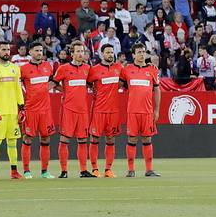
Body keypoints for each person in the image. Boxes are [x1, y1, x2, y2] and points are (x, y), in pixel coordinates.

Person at [54, 43, 94, 177]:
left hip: (83, 110)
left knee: (83, 140)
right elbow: (54, 83)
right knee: (65, 139)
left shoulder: (88, 68)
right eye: (78, 51)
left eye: (82, 51)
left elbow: (91, 83)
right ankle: (64, 171)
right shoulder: (63, 68)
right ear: (72, 53)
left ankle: (83, 170)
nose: (81, 54)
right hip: (68, 109)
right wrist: (64, 91)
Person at [0, 47, 25, 179]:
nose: (6, 52)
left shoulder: (15, 68)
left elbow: (18, 89)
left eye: (8, 49)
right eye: (3, 49)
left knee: (12, 142)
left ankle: (14, 171)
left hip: (13, 111)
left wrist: (22, 107)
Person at [19, 42, 57, 178]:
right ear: (30, 52)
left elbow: (54, 81)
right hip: (30, 109)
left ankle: (45, 171)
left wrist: (44, 89)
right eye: (36, 50)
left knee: (46, 139)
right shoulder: (23, 69)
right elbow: (17, 86)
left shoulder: (48, 66)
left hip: (45, 110)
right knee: (28, 139)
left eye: (41, 50)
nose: (39, 53)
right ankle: (26, 170)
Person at [122, 46, 161, 177]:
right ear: (133, 55)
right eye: (139, 52)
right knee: (131, 139)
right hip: (132, 111)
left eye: (143, 52)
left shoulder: (152, 70)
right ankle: (131, 169)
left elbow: (157, 90)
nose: (142, 54)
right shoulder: (127, 70)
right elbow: (117, 86)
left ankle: (149, 169)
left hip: (147, 111)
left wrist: (156, 110)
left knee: (147, 139)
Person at [89, 45, 126, 178]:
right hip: (99, 110)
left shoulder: (119, 68)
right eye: (107, 52)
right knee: (95, 138)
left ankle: (108, 169)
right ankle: (94, 169)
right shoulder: (94, 70)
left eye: (112, 52)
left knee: (111, 139)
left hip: (114, 110)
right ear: (102, 54)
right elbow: (88, 84)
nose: (110, 54)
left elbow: (123, 82)